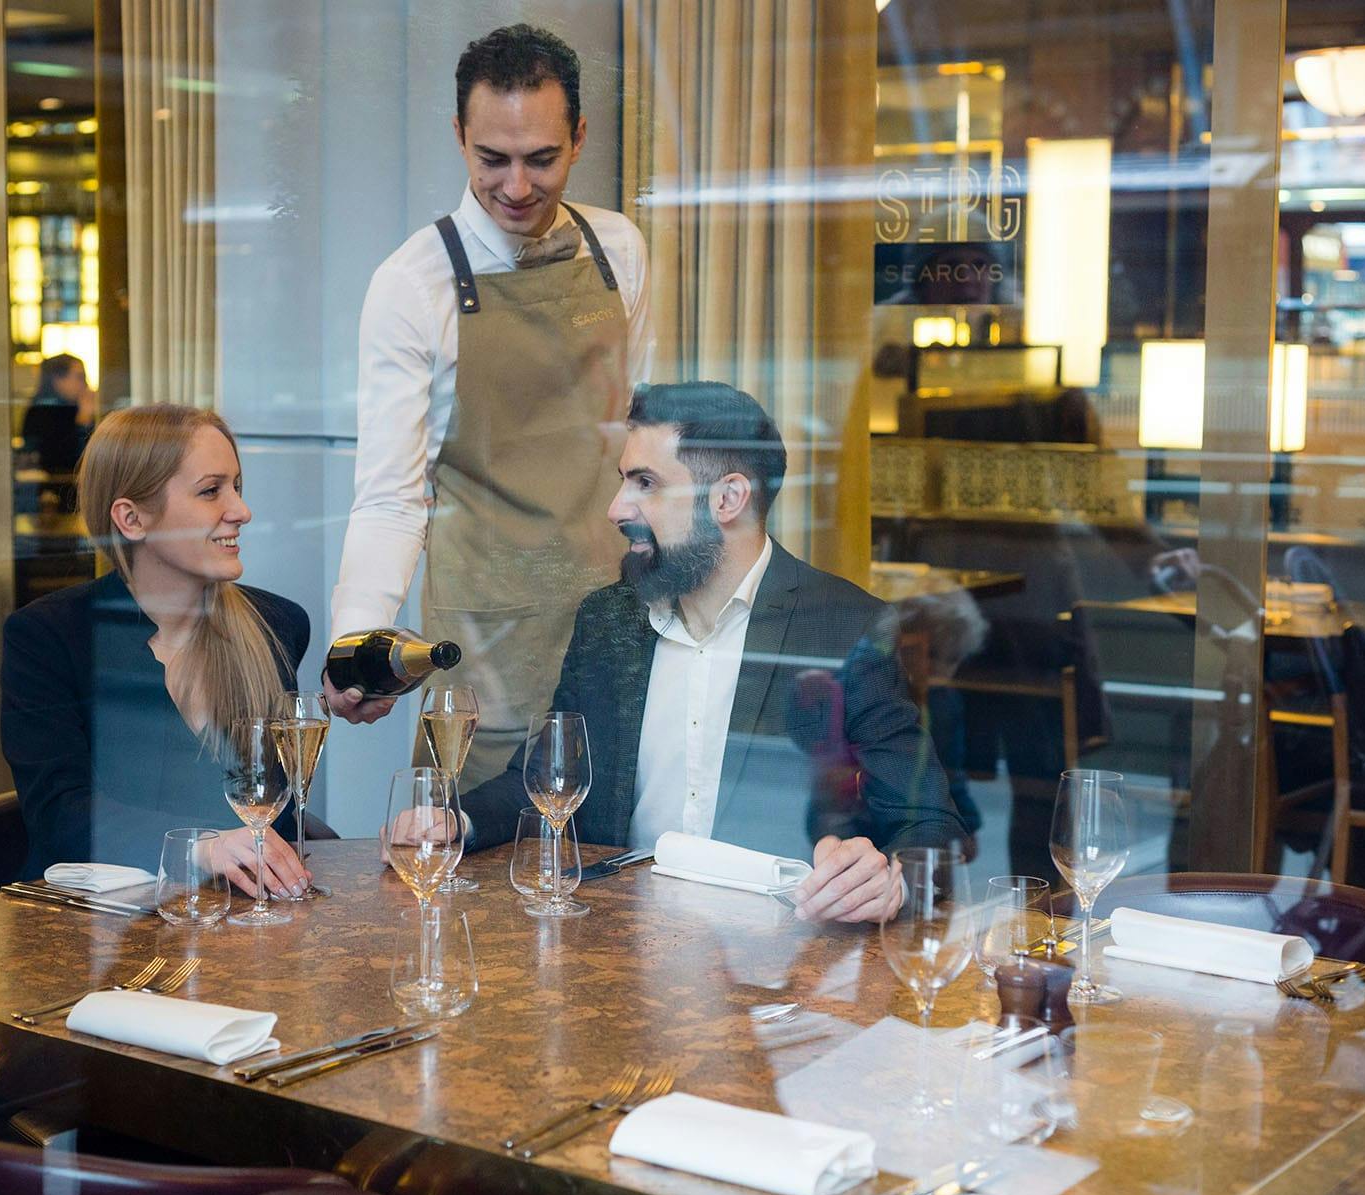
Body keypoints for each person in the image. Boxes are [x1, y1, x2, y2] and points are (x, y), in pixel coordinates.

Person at [461, 382, 966, 923]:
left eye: (646, 483)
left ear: (728, 499)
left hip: (773, 964)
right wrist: (454, 822)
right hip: (611, 945)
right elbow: (542, 782)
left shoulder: (846, 628)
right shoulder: (609, 619)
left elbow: (930, 825)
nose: (615, 508)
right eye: (623, 481)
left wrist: (888, 880)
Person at [326, 23, 653, 786]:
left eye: (541, 159)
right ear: (458, 136)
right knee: (471, 872)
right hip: (484, 648)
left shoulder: (622, 251)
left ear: (579, 137)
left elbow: (642, 442)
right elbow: (391, 497)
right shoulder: (413, 285)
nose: (515, 186)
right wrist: (357, 645)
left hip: (617, 627)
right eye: (491, 159)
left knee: (614, 870)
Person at [0, 404, 315, 901]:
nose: (241, 510)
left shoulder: (278, 625)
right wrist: (203, 848)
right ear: (131, 519)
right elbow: (60, 815)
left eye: (237, 486)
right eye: (211, 491)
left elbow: (276, 811)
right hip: (92, 936)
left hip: (238, 925)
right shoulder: (49, 637)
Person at [21, 353, 96, 475]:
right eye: (80, 377)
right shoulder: (41, 412)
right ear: (57, 379)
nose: (85, 384)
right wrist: (83, 422)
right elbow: (62, 462)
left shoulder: (75, 408)